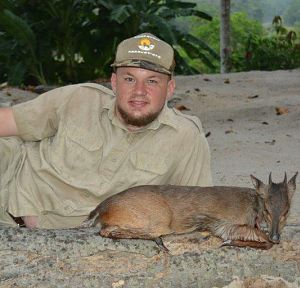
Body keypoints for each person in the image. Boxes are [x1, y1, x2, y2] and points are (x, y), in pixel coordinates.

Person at [0, 33, 212, 229]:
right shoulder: (78, 99)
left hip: (77, 236)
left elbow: (197, 214)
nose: (139, 91)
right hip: (11, 188)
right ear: (114, 82)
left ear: (170, 89)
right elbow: (7, 122)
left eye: (152, 81)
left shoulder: (186, 138)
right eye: (129, 79)